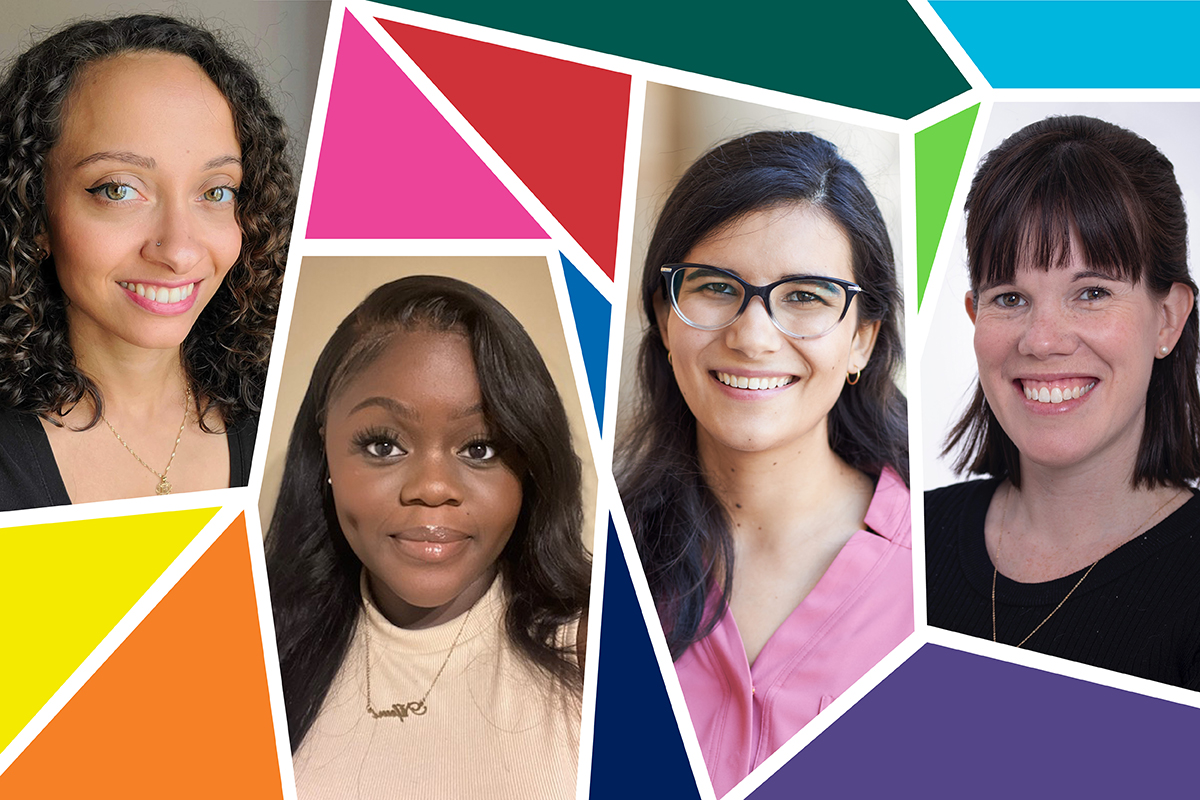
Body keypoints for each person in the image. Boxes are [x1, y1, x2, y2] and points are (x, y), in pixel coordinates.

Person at [617, 130, 912, 797]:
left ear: (863, 336)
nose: (752, 336)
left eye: (806, 296)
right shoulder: (599, 565)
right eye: (717, 287)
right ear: (664, 319)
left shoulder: (949, 575)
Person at [266, 275, 591, 799]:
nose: (433, 489)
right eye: (382, 445)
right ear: (325, 446)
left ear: (531, 465)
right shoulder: (250, 647)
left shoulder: (600, 647)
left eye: (481, 448)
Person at [927, 115, 1200, 690]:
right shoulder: (900, 544)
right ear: (976, 318)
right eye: (1011, 297)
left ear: (1168, 319)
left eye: (1092, 292)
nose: (1043, 339)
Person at [0, 14, 295, 509]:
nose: (179, 251)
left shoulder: (284, 423)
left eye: (216, 191)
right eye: (118, 189)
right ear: (34, 212)